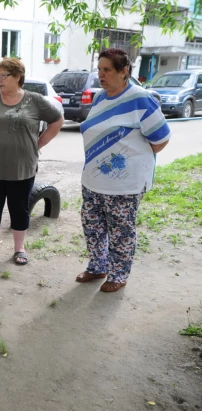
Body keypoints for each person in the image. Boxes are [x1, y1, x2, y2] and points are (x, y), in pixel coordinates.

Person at [76, 48, 170, 292]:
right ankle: (98, 267)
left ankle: (118, 275)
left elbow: (161, 139)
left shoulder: (140, 99)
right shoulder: (99, 98)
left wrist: (132, 158)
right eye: (99, 69)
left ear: (124, 70)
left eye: (107, 70)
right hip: (93, 180)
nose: (101, 75)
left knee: (121, 231)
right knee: (92, 226)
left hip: (125, 184)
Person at [0, 58, 64, 265]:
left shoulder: (34, 100)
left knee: (19, 208)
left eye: (4, 76)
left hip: (22, 167)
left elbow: (57, 120)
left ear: (18, 77)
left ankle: (19, 248)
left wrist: (39, 143)